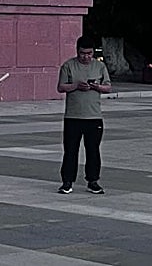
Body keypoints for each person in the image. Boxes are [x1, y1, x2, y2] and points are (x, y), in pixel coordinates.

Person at [56, 35, 111, 194]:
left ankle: (93, 181)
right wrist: (75, 86)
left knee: (93, 150)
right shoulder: (68, 66)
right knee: (70, 150)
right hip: (73, 116)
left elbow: (108, 87)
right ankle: (67, 181)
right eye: (82, 53)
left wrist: (96, 87)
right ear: (77, 51)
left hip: (93, 116)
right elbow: (61, 87)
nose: (86, 57)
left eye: (89, 53)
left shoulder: (99, 66)